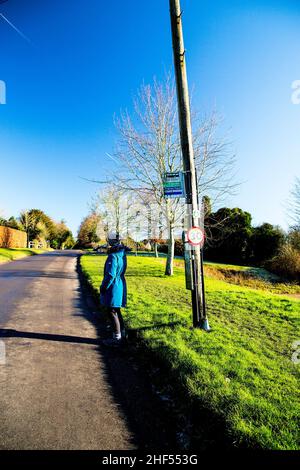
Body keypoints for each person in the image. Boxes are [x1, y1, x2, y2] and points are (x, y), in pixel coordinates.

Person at [100, 231, 130, 346]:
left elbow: (110, 275)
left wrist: (103, 287)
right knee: (116, 310)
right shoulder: (122, 254)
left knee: (111, 311)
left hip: (113, 286)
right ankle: (122, 334)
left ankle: (116, 338)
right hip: (120, 283)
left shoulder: (113, 256)